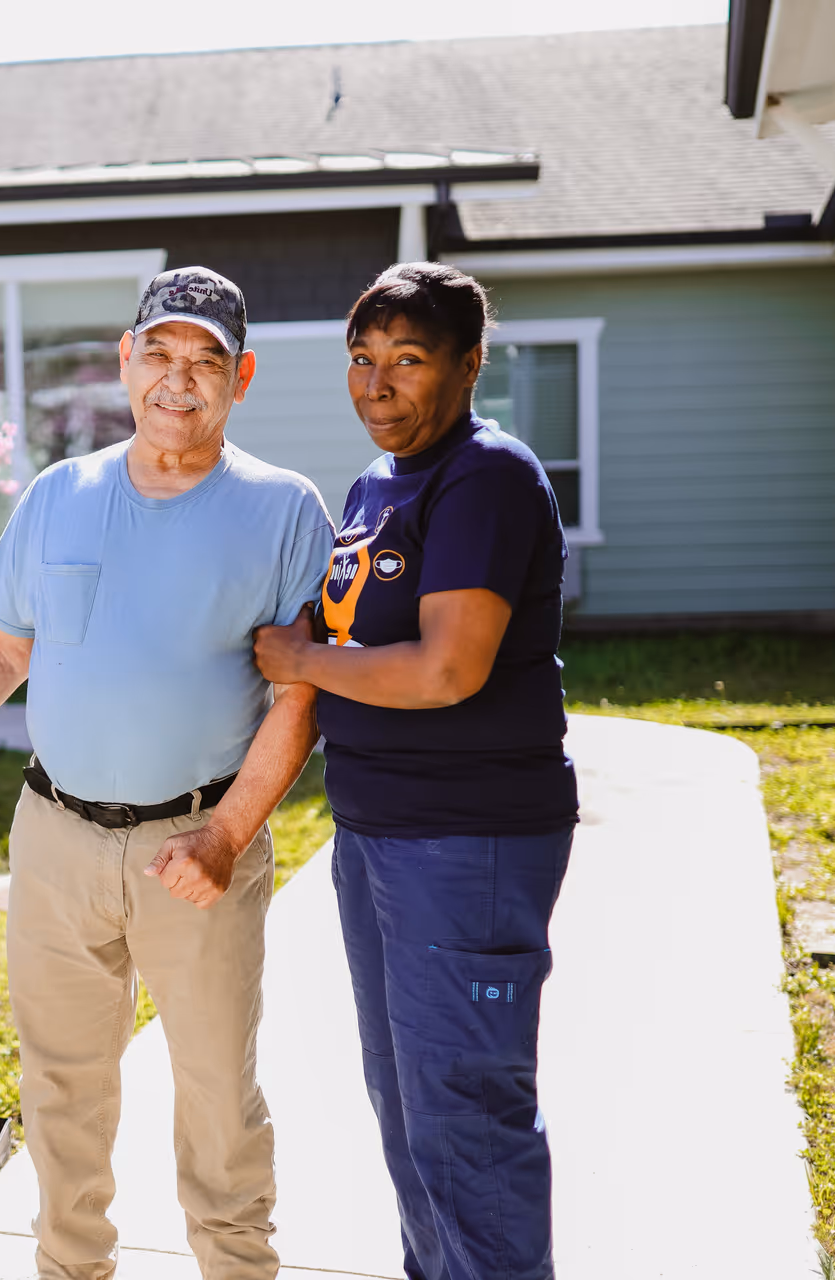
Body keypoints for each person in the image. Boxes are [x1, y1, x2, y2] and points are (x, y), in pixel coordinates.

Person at [0, 266, 329, 1280]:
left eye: (205, 360)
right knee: (61, 1089)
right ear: (126, 360)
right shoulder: (61, 494)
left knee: (215, 1097)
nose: (178, 380)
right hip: (55, 837)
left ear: (240, 376)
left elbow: (302, 700)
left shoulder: (285, 510)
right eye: (159, 353)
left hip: (197, 843)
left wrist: (226, 836)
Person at [253, 262, 576, 1280]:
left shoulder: (484, 474)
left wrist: (302, 660)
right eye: (362, 358)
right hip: (381, 833)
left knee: (466, 1114)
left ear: (470, 365)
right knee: (409, 1106)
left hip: (468, 838)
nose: (377, 383)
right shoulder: (375, 485)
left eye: (408, 359)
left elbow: (446, 668)